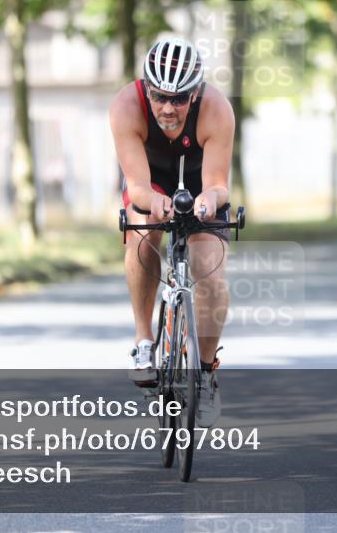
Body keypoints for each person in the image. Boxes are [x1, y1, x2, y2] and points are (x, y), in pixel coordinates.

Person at [108, 37, 235, 426]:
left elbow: (217, 183)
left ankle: (206, 374)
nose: (168, 107)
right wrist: (153, 201)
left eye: (179, 99)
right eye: (160, 96)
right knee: (144, 227)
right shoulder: (125, 107)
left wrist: (209, 201)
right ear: (146, 88)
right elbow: (138, 185)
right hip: (152, 178)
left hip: (201, 181)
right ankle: (144, 340)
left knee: (209, 270)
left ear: (195, 94)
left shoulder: (217, 110)